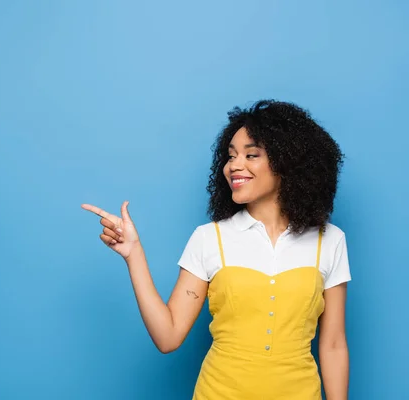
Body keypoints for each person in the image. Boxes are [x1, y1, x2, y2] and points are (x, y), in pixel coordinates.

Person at [81, 99, 351, 400]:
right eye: (231, 155)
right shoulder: (209, 238)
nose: (235, 165)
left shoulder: (330, 240)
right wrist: (134, 254)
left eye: (252, 155)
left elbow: (334, 344)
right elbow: (168, 336)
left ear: (289, 163)